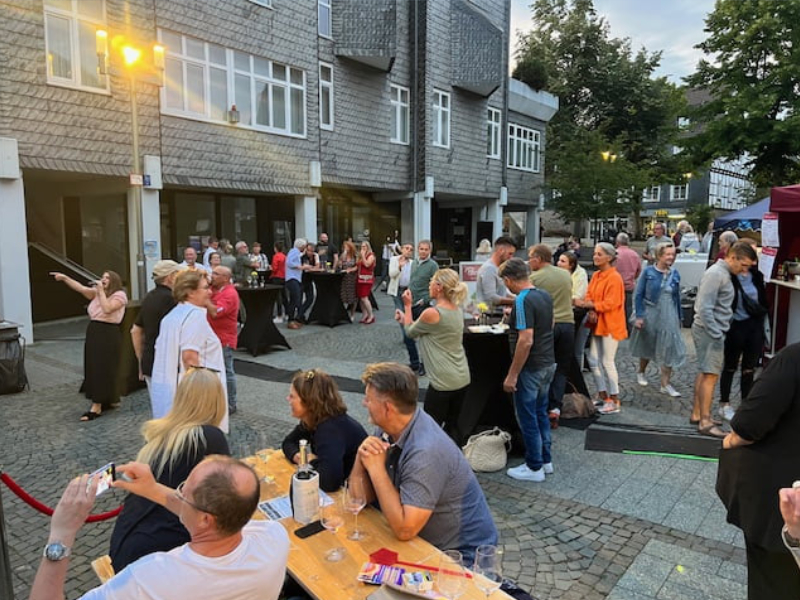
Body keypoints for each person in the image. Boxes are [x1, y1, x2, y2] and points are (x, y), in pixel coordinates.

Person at [29, 456, 289, 600]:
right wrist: (153, 490)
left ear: (205, 520)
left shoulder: (149, 581)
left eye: (183, 489)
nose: (179, 491)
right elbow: (211, 516)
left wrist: (62, 532)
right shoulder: (274, 539)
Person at [350, 363, 498, 563]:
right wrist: (362, 457)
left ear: (387, 408)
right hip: (425, 544)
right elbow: (359, 500)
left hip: (462, 557)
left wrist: (376, 470)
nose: (364, 404)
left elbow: (405, 530)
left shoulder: (425, 450)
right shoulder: (389, 428)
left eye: (368, 399)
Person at [109, 368, 230, 572]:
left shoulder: (162, 433)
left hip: (127, 541)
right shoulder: (209, 436)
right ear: (217, 400)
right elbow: (226, 499)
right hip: (160, 554)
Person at [717, 342, 800, 600]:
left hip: (779, 506)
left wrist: (728, 441)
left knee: (771, 583)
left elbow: (747, 425)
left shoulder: (794, 357)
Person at [690, 241, 758, 438]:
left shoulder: (723, 273)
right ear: (733, 257)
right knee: (710, 375)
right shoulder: (716, 274)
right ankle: (705, 420)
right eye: (743, 265)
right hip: (710, 332)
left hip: (711, 330)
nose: (744, 271)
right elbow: (704, 308)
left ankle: (698, 414)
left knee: (705, 373)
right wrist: (717, 333)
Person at [150, 270, 229, 432]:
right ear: (190, 292)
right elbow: (190, 357)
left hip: (168, 391)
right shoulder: (195, 316)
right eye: (205, 288)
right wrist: (199, 402)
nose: (210, 292)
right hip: (192, 395)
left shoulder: (171, 316)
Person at [500, 258, 556, 482]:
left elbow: (526, 340)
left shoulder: (522, 300)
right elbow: (549, 325)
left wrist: (512, 374)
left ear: (508, 280)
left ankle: (534, 467)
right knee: (541, 412)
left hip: (531, 366)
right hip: (548, 362)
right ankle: (545, 459)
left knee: (527, 416)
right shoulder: (544, 295)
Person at [400, 268, 470, 443]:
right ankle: (454, 462)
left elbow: (410, 332)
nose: (429, 285)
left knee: (428, 428)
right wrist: (406, 317)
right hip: (461, 376)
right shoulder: (456, 309)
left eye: (431, 282)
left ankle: (430, 464)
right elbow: (428, 331)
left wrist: (407, 306)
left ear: (439, 287)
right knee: (452, 426)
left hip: (442, 380)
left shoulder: (432, 313)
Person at [50, 269, 128, 421]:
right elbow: (80, 288)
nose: (103, 279)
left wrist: (100, 291)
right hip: (95, 331)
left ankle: (97, 405)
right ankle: (106, 398)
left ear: (114, 281)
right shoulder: (96, 293)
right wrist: (65, 278)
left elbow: (107, 309)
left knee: (104, 366)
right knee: (94, 366)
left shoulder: (119, 295)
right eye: (102, 277)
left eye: (107, 278)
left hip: (108, 333)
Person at [281, 369, 368, 492]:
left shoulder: (330, 430)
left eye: (292, 396)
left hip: (358, 496)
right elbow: (288, 442)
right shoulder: (314, 419)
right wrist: (301, 457)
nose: (288, 399)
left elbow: (329, 482)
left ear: (309, 402)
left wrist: (310, 461)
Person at [574, 243, 627, 415]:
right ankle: (603, 394)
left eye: (599, 254)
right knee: (594, 360)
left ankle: (614, 398)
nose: (595, 256)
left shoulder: (615, 278)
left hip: (611, 324)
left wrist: (589, 305)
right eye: (595, 253)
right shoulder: (597, 275)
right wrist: (591, 308)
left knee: (607, 361)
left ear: (609, 257)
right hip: (597, 323)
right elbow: (590, 294)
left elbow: (612, 303)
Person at [719, 238, 768, 421]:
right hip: (735, 325)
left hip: (753, 325)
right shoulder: (729, 275)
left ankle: (745, 403)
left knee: (749, 368)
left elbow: (763, 300)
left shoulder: (756, 275)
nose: (746, 267)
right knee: (730, 366)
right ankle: (724, 403)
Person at [629, 243, 686, 397]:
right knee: (648, 343)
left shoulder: (675, 274)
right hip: (651, 311)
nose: (671, 257)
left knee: (669, 346)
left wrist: (680, 317)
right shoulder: (648, 272)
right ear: (659, 255)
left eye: (673, 254)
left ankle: (665, 383)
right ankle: (641, 371)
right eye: (668, 254)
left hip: (669, 313)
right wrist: (639, 316)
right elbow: (639, 295)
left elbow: (677, 298)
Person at [528, 244, 573, 427]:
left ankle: (542, 407)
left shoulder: (534, 278)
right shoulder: (565, 274)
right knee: (561, 368)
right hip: (568, 324)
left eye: (531, 257)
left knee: (544, 367)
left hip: (549, 326)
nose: (529, 261)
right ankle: (556, 408)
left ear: (538, 259)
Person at [131, 260, 180, 395]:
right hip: (169, 362)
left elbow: (135, 330)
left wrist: (141, 359)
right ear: (171, 277)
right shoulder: (172, 299)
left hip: (150, 359)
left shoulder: (149, 297)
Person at [206, 266, 240, 415]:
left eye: (216, 274)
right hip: (212, 338)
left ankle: (231, 403)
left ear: (225, 278)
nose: (212, 276)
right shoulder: (214, 289)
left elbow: (215, 312)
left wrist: (204, 299)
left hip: (223, 339)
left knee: (226, 371)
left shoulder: (230, 294)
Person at [388, 243, 421, 373]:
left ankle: (407, 335)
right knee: (400, 314)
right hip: (397, 291)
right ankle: (407, 335)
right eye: (407, 248)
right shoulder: (394, 260)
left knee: (408, 314)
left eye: (411, 249)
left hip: (408, 291)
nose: (409, 251)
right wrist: (400, 267)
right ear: (401, 249)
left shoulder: (413, 263)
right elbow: (391, 274)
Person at [557, 251, 590, 370]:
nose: (558, 263)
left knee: (577, 347)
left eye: (562, 261)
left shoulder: (580, 274)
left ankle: (578, 373)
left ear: (571, 265)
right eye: (559, 260)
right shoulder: (559, 274)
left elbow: (579, 296)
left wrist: (563, 298)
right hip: (564, 310)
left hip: (578, 313)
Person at [475, 236, 517, 311]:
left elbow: (502, 293)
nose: (511, 257)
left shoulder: (498, 268)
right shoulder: (489, 269)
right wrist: (516, 301)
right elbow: (491, 298)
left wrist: (518, 298)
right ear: (501, 250)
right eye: (510, 254)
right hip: (489, 316)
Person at [614, 232, 642, 332]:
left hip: (615, 286)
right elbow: (639, 270)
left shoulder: (615, 254)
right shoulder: (634, 254)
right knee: (628, 308)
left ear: (617, 242)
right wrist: (633, 277)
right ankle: (629, 330)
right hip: (629, 285)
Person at [285, 238, 306, 329]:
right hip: (292, 278)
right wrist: (299, 266)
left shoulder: (296, 252)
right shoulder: (294, 251)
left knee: (295, 299)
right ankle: (291, 319)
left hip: (295, 278)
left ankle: (293, 319)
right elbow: (289, 262)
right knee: (295, 299)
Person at [356, 241, 377, 324]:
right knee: (361, 298)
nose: (363, 248)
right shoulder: (361, 255)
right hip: (359, 278)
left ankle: (371, 315)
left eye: (364, 246)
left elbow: (367, 264)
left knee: (364, 297)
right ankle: (365, 314)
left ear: (368, 247)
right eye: (362, 247)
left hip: (367, 279)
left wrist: (363, 255)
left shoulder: (371, 255)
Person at [300, 242, 322, 322]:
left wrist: (313, 267)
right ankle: (299, 316)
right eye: (308, 250)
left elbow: (318, 266)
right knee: (299, 299)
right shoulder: (303, 257)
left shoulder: (315, 256)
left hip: (309, 280)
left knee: (310, 299)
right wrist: (314, 268)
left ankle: (300, 314)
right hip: (302, 280)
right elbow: (306, 269)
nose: (310, 252)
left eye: (312, 251)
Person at [338, 240, 359, 322]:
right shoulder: (343, 255)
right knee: (343, 295)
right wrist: (344, 254)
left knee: (353, 297)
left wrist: (350, 270)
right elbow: (339, 264)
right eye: (344, 247)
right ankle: (343, 314)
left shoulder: (355, 256)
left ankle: (352, 314)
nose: (345, 248)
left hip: (352, 278)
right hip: (344, 278)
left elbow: (357, 266)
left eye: (346, 246)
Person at [270, 242, 287, 323]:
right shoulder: (284, 256)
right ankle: (287, 313)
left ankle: (279, 315)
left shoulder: (276, 256)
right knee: (284, 296)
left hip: (276, 277)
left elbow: (274, 268)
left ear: (275, 248)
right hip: (284, 277)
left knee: (278, 297)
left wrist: (271, 268)